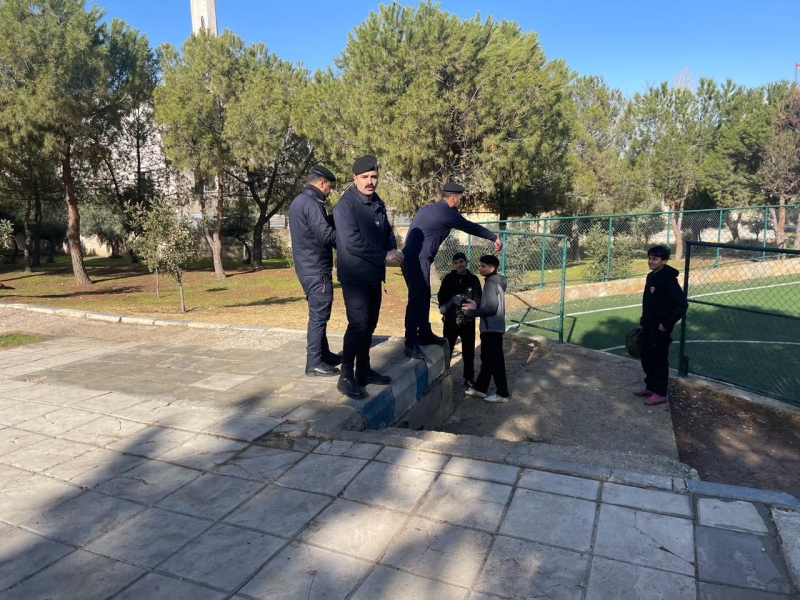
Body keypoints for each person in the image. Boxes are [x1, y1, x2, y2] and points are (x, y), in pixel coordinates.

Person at [401, 183, 502, 360]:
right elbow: (469, 226)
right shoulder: (445, 213)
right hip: (417, 260)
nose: (462, 200)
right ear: (453, 198)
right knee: (416, 300)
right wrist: (493, 237)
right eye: (460, 198)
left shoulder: (431, 208)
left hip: (413, 258)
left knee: (423, 297)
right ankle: (410, 343)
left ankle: (424, 333)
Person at [333, 155, 403, 399]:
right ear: (355, 179)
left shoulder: (377, 201)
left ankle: (363, 370)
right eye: (364, 177)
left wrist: (392, 248)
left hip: (374, 274)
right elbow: (352, 242)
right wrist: (384, 255)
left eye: (373, 176)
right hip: (355, 276)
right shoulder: (345, 206)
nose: (370, 181)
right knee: (358, 325)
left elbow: (387, 231)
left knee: (370, 324)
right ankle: (345, 376)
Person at [288, 165, 341, 377]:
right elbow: (326, 236)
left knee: (320, 313)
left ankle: (323, 354)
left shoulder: (300, 200)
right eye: (329, 186)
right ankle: (314, 362)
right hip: (316, 268)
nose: (330, 190)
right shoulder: (312, 203)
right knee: (319, 315)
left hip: (307, 267)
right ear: (321, 182)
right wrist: (347, 241)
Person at [634, 245, 688, 406]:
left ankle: (661, 392)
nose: (651, 261)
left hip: (660, 328)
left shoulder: (669, 280)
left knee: (659, 360)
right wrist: (643, 322)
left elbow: (681, 305)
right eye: (650, 258)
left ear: (664, 261)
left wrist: (666, 323)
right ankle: (650, 387)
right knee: (646, 357)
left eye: (655, 259)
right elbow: (647, 302)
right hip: (648, 325)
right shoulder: (651, 276)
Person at [462, 255, 510, 403]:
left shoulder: (490, 283)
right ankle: (480, 389)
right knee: (487, 359)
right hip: (492, 327)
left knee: (496, 361)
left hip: (491, 329)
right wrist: (477, 306)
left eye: (483, 266)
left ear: (492, 268)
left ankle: (502, 394)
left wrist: (472, 312)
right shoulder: (495, 281)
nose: (480, 268)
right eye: (480, 265)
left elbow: (491, 308)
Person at [437, 252, 482, 388]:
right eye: (456, 263)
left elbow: (478, 297)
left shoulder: (473, 279)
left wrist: (475, 304)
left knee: (468, 351)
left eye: (461, 262)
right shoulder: (448, 278)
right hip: (451, 320)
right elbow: (441, 295)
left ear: (466, 262)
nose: (459, 265)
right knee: (447, 348)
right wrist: (442, 306)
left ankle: (468, 378)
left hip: (467, 320)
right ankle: (444, 374)